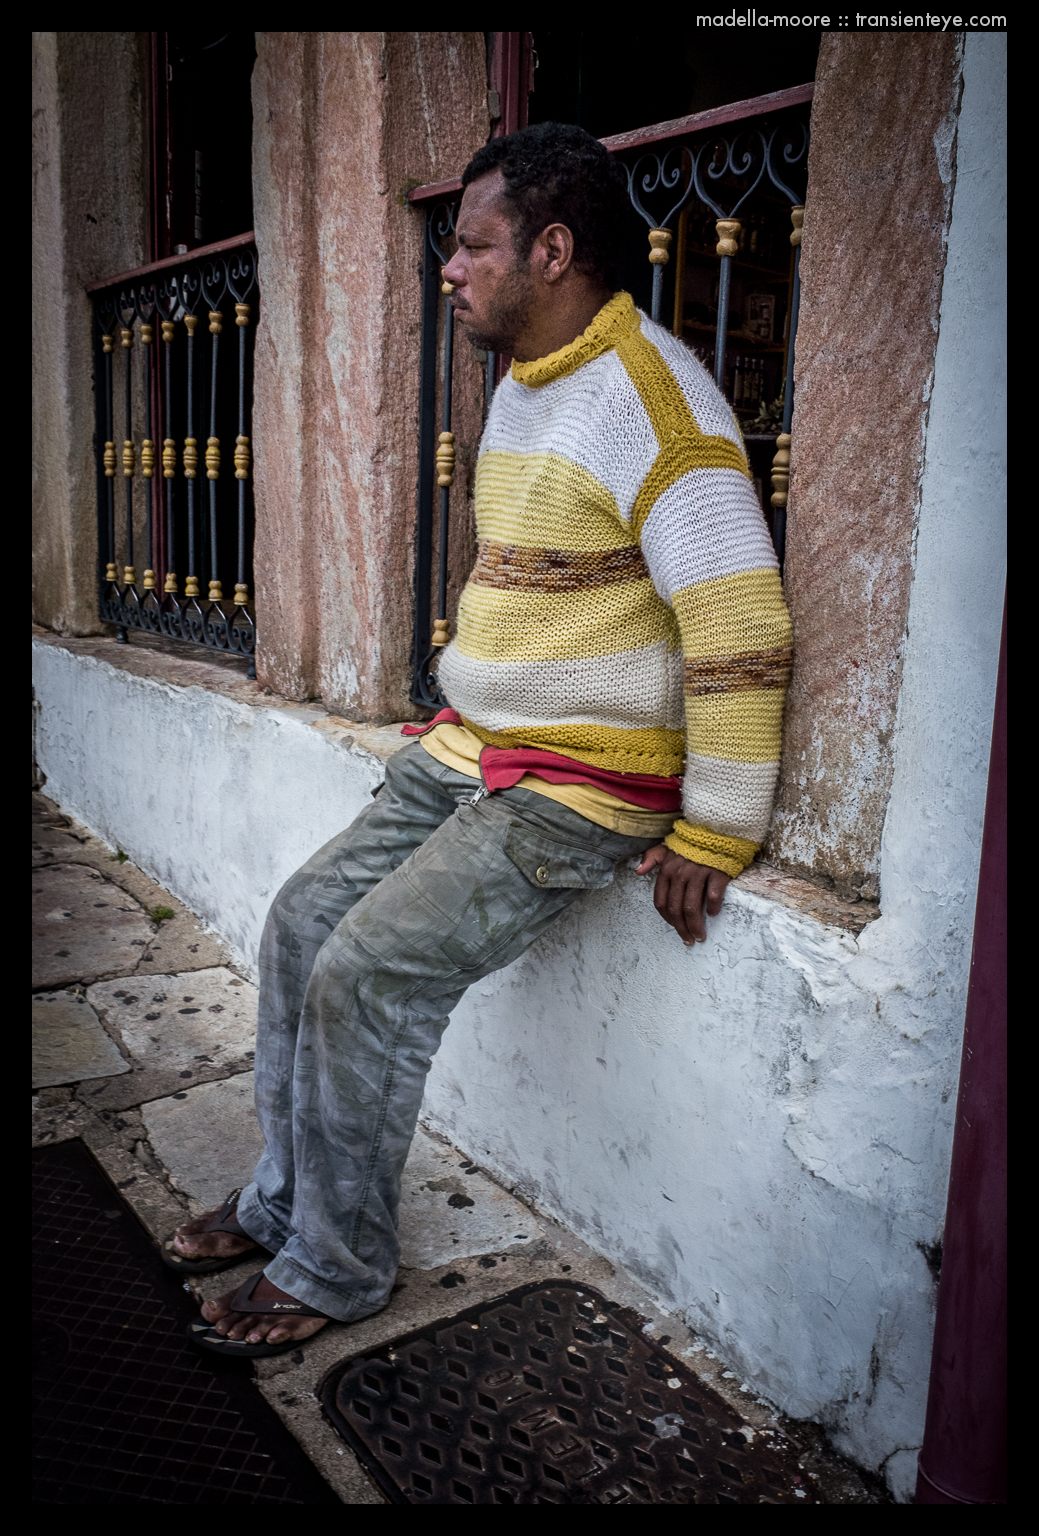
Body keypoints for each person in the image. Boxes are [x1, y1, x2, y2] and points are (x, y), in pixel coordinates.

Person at [166, 122, 794, 1357]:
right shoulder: (526, 382)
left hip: (581, 787)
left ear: (552, 251)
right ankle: (285, 1203)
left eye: (473, 244)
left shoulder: (654, 400)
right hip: (473, 752)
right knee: (302, 923)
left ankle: (334, 1266)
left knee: (369, 966)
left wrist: (717, 828)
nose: (449, 267)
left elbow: (737, 618)